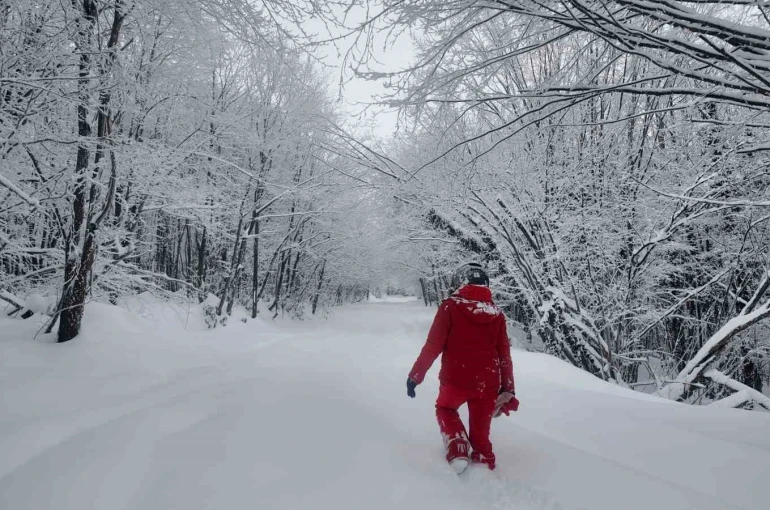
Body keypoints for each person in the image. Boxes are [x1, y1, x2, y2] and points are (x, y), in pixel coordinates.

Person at [407, 262, 517, 473]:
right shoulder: (497, 314)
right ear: (486, 285)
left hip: (455, 378)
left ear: (462, 283)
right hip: (488, 383)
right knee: (481, 436)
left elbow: (433, 346)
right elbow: (504, 356)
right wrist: (508, 388)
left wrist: (415, 376)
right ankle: (484, 461)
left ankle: (457, 447)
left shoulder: (449, 306)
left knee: (445, 409)